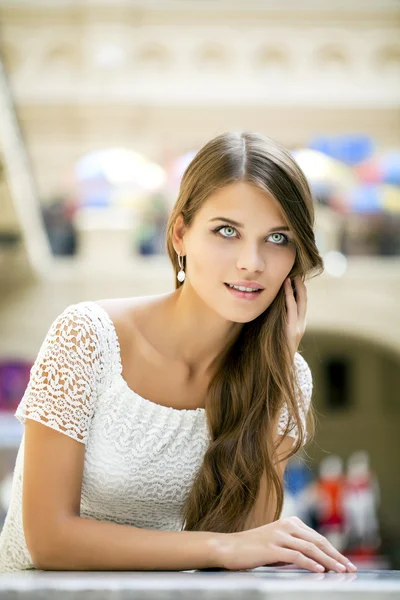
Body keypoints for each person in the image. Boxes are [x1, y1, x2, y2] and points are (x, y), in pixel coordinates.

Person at [0, 132, 357, 574]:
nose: (252, 262)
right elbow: (48, 541)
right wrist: (218, 549)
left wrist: (276, 373)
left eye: (278, 238)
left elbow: (245, 544)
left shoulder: (287, 375)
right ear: (180, 234)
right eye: (227, 231)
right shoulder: (87, 338)